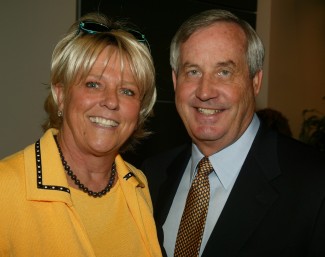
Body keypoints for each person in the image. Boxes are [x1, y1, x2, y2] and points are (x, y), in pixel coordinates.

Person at [141, 9, 325, 257]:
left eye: (224, 72)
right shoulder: (148, 177)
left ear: (255, 81)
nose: (205, 91)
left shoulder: (314, 184)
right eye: (193, 71)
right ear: (175, 82)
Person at [0, 12, 162, 257]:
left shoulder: (138, 184)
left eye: (127, 91)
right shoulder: (6, 187)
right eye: (93, 84)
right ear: (61, 95)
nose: (111, 102)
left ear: (140, 110)